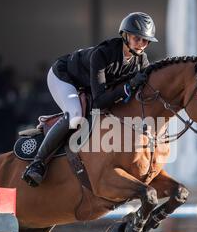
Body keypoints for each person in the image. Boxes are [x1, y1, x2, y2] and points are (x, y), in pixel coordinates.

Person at [22, 12, 158, 187]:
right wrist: (128, 86)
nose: (141, 44)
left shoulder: (141, 61)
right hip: (64, 76)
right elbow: (101, 101)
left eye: (145, 40)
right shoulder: (103, 54)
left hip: (89, 85)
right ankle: (37, 163)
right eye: (136, 38)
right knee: (75, 115)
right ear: (125, 35)